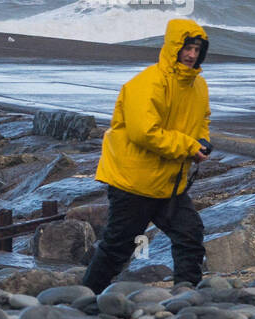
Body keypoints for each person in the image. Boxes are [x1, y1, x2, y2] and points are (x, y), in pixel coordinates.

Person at [81, 17, 211, 293]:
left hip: (169, 184)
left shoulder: (198, 86)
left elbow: (202, 121)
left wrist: (202, 142)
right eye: (187, 47)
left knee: (189, 233)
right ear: (173, 47)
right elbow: (144, 132)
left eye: (197, 49)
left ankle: (186, 296)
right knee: (118, 246)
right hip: (133, 182)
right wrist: (188, 147)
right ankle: (85, 297)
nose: (191, 54)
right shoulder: (147, 83)